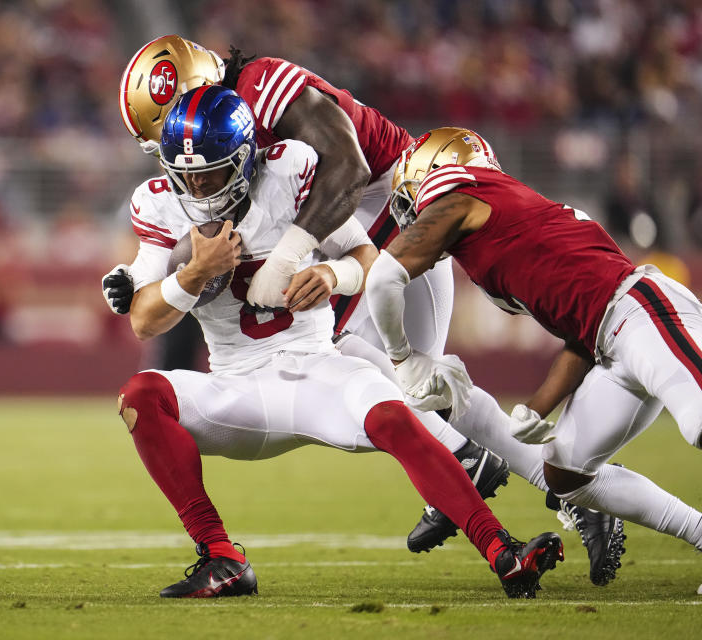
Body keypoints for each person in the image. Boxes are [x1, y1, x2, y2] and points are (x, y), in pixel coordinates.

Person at [103, 34, 622, 579]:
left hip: (404, 215)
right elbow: (153, 280)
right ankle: (501, 470)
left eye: (178, 124)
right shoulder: (216, 164)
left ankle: (526, 478)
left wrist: (291, 261)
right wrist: (140, 276)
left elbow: (347, 172)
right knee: (423, 392)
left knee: (407, 387)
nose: (182, 153)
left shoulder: (264, 97)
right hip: (363, 228)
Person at [364, 125, 702, 564]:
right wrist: (537, 408)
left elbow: (384, 276)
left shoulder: (462, 193)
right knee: (567, 475)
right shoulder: (490, 231)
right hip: (607, 344)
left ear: (436, 168)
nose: (410, 211)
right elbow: (581, 332)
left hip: (643, 314)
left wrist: (403, 357)